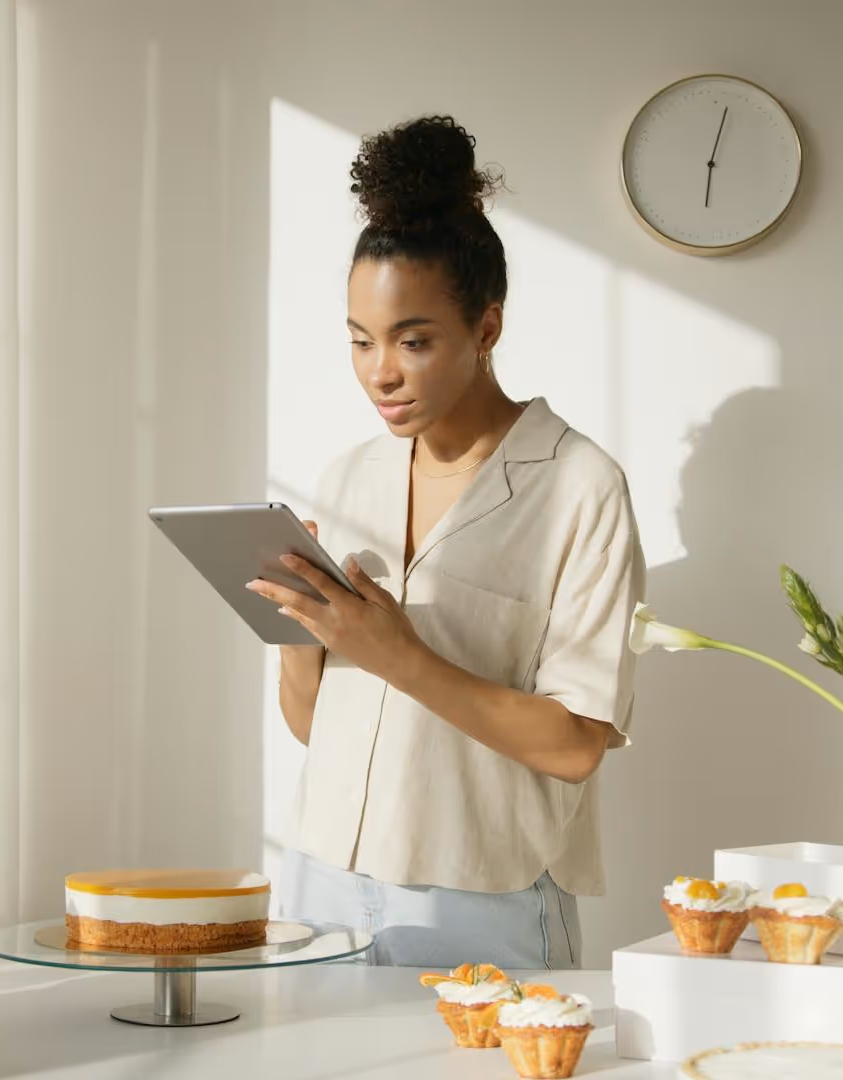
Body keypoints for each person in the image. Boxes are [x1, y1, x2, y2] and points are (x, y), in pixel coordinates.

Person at [246, 115, 646, 970]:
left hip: (482, 895)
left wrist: (396, 652)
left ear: (487, 329)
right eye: (359, 341)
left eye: (412, 341)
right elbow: (318, 726)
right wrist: (298, 642)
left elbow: (577, 745)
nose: (379, 371)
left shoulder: (580, 487)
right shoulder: (350, 476)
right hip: (321, 879)